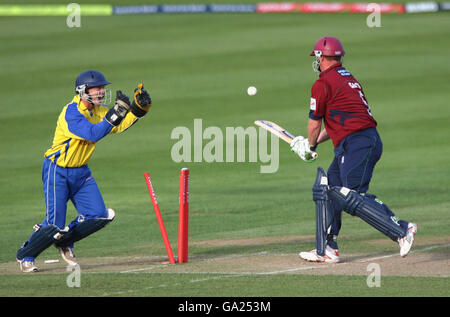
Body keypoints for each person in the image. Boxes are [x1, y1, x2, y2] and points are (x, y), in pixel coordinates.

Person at [290, 37, 417, 263]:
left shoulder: (323, 83)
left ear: (321, 57)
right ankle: (327, 248)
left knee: (348, 196)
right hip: (357, 141)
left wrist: (308, 147)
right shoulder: (347, 79)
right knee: (328, 188)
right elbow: (340, 123)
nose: (316, 61)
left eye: (317, 57)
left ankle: (402, 229)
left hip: (358, 143)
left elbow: (314, 122)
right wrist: (314, 143)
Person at [16, 70, 152, 272]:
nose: (101, 92)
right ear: (82, 91)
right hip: (57, 171)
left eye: (102, 88)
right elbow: (92, 134)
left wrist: (138, 110)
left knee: (99, 215)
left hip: (81, 173)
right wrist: (114, 115)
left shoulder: (97, 111)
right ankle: (26, 255)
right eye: (97, 89)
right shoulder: (71, 112)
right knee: (54, 224)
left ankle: (64, 241)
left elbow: (117, 125)